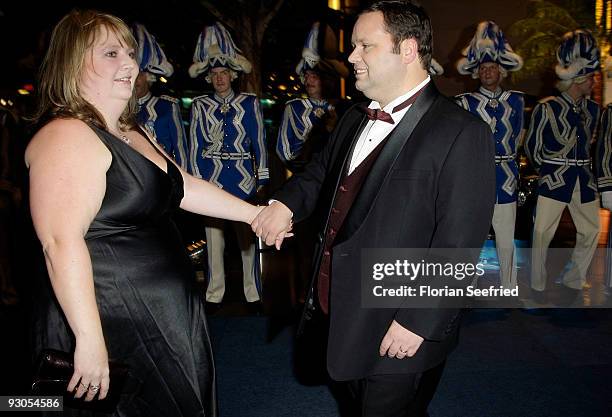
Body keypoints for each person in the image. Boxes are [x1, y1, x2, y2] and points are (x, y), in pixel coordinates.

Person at [252, 1, 495, 415]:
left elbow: (459, 242)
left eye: (365, 46)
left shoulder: (463, 133)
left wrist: (417, 320)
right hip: (338, 308)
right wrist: (284, 205)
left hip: (399, 324)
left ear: (408, 49)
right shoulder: (351, 116)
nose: (351, 57)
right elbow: (318, 176)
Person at [27, 10, 262, 415]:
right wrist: (89, 340)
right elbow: (59, 243)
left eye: (130, 53)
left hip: (162, 316)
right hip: (111, 320)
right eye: (111, 53)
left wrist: (254, 215)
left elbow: (183, 185)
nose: (130, 64)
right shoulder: (65, 135)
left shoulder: (132, 131)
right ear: (72, 62)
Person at [188, 22, 268, 312]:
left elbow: (259, 141)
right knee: (213, 242)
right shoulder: (198, 105)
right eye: (215, 74)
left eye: (224, 73)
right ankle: (214, 295)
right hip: (211, 182)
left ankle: (252, 294)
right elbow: (195, 145)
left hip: (243, 180)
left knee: (247, 242)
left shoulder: (249, 103)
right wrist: (196, 180)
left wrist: (262, 177)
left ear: (232, 75)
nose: (220, 78)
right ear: (209, 78)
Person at [525, 29, 601, 297]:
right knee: (542, 233)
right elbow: (532, 147)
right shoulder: (548, 108)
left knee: (592, 230)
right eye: (591, 77)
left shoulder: (593, 110)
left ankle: (573, 279)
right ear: (578, 79)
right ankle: (537, 284)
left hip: (583, 179)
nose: (594, 82)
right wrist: (546, 171)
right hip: (554, 178)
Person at [455, 21, 524, 290]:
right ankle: (467, 284)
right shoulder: (465, 102)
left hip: (506, 178)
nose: (487, 72)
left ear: (500, 71)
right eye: (482, 68)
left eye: (492, 68)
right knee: (472, 236)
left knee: (507, 237)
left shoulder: (516, 100)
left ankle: (509, 286)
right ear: (476, 73)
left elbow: (519, 136)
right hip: (476, 179)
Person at [131, 23, 188, 169]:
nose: (134, 81)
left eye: (139, 76)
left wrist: (183, 180)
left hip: (162, 175)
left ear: (149, 78)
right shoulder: (120, 108)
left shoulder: (167, 107)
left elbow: (180, 149)